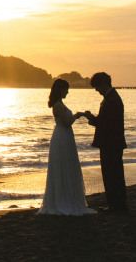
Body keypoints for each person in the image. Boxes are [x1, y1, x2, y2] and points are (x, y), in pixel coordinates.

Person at [38, 79, 95, 215]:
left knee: (67, 165)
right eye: (66, 90)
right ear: (60, 90)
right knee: (62, 165)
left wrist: (79, 114)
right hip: (61, 137)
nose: (68, 92)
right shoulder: (57, 105)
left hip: (65, 136)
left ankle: (66, 196)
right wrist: (76, 115)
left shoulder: (60, 104)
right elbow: (67, 122)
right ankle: (62, 199)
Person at [83, 72, 128, 212]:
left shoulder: (111, 99)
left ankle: (116, 205)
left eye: (97, 86)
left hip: (111, 143)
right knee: (114, 174)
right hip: (112, 142)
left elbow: (106, 123)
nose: (96, 90)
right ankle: (116, 204)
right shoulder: (112, 97)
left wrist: (91, 118)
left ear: (103, 84)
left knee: (112, 174)